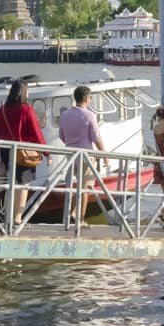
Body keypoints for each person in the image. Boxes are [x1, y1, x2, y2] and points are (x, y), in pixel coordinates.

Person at [0, 80, 46, 220]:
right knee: (23, 184)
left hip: (6, 150)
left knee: (11, 182)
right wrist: (47, 152)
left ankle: (8, 214)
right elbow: (36, 132)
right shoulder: (26, 110)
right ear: (23, 92)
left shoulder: (2, 109)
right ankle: (17, 217)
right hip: (23, 152)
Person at [58, 85, 106, 224]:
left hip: (71, 155)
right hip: (85, 157)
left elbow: (62, 135)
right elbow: (96, 137)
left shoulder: (65, 115)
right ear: (86, 98)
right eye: (90, 97)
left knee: (75, 186)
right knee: (85, 188)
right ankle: (80, 218)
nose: (90, 99)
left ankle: (72, 212)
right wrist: (104, 155)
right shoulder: (90, 115)